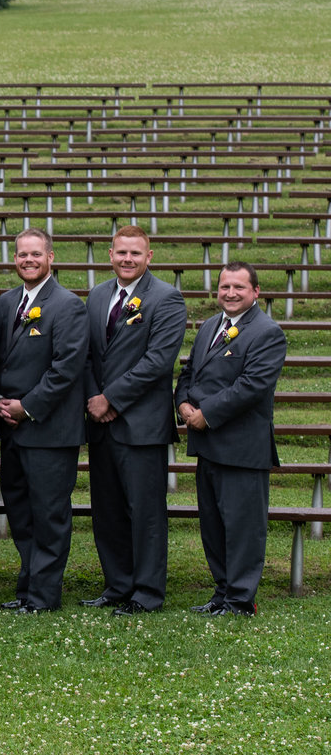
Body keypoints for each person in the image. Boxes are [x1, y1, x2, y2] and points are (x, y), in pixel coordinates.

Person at [81, 226, 186, 617]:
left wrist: (112, 398)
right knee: (107, 510)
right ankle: (117, 584)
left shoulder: (167, 299)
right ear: (110, 254)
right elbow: (88, 354)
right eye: (121, 252)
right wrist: (95, 399)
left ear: (149, 256)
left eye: (135, 253)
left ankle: (146, 592)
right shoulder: (96, 296)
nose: (128, 259)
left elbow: (158, 362)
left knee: (145, 514)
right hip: (100, 422)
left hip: (140, 425)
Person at [176, 262, 287, 617]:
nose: (231, 293)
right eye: (225, 287)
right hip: (208, 447)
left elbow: (252, 386)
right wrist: (181, 402)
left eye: (239, 287)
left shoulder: (267, 332)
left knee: (242, 529)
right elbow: (189, 371)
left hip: (241, 447)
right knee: (214, 526)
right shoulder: (211, 325)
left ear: (256, 292)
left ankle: (240, 600)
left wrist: (205, 414)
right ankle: (222, 593)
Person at [0, 229, 88, 614]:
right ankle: (29, 585)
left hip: (48, 429)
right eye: (21, 255)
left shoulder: (68, 305)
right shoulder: (7, 303)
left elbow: (65, 369)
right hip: (11, 428)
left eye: (35, 254)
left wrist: (26, 406)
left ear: (51, 257)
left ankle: (44, 596)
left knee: (49, 515)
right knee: (20, 510)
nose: (27, 260)